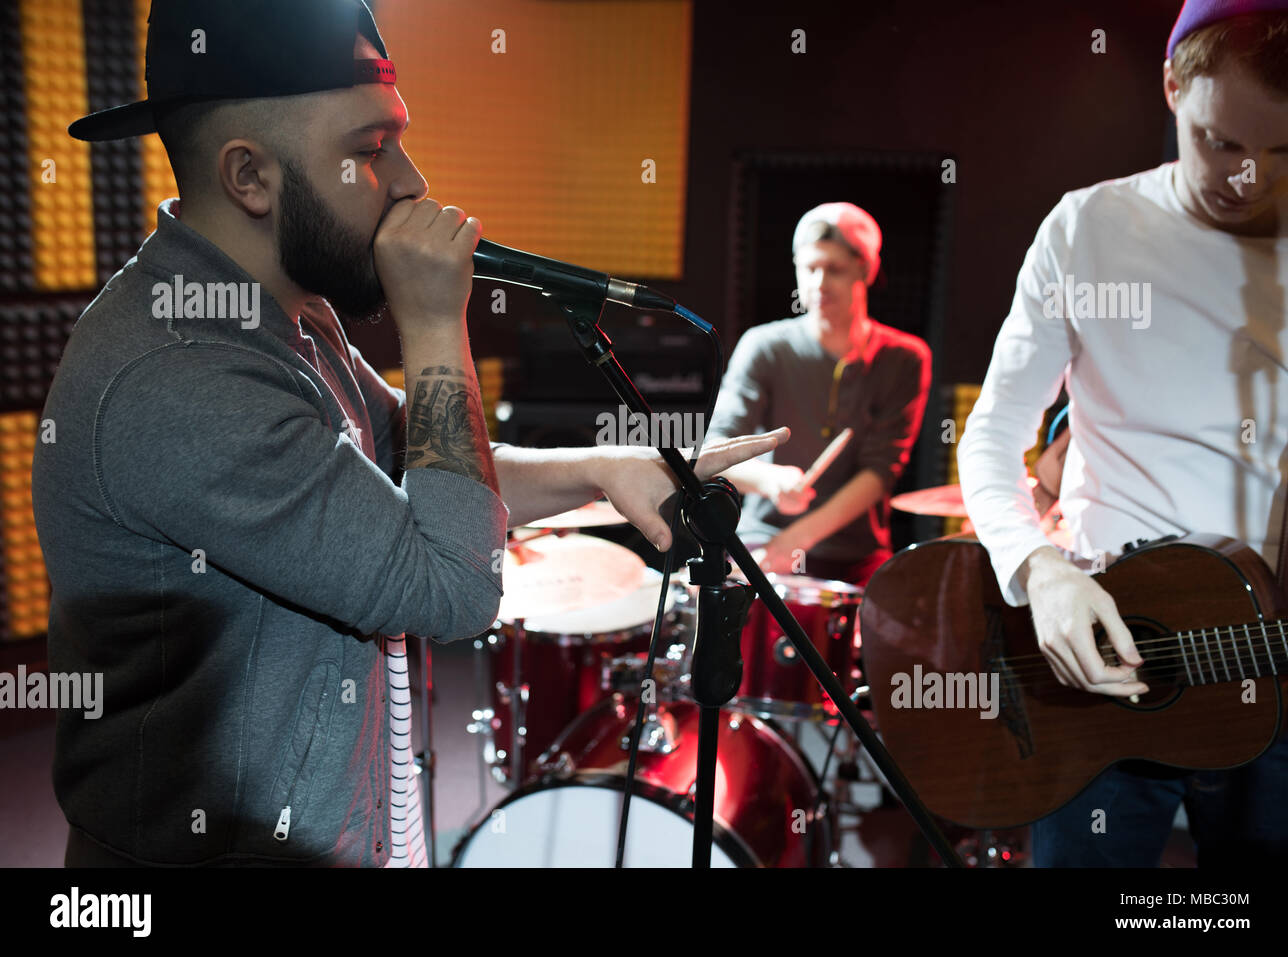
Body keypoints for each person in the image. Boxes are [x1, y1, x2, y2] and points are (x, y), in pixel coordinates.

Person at [36, 0, 786, 867]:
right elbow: (451, 585)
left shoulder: (287, 312)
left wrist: (605, 468)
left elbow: (422, 466)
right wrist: (434, 325)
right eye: (369, 149)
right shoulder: (177, 376)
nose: (412, 180)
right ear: (249, 176)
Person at [957, 0, 1288, 867]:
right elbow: (993, 433)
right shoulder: (1087, 228)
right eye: (1222, 142)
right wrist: (1038, 572)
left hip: (1282, 667)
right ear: (1171, 86)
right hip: (1109, 660)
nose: (1249, 178)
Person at [707, 202, 931, 586]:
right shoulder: (764, 346)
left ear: (866, 270)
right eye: (809, 268)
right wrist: (769, 480)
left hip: (855, 554)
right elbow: (717, 451)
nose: (819, 283)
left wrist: (798, 540)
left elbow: (881, 471)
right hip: (765, 537)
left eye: (835, 270)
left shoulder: (904, 358)